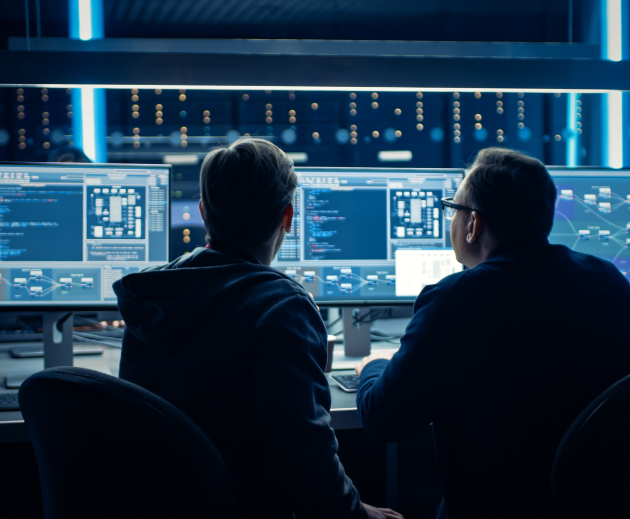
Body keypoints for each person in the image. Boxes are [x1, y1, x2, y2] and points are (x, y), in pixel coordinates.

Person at [114, 138, 403, 519]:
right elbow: (306, 463)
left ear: (203, 212)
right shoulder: (283, 308)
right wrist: (360, 514)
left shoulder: (150, 296)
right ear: (287, 217)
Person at [355, 147, 630, 519]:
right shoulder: (608, 280)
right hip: (595, 504)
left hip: (496, 507)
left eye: (453, 207)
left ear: (473, 224)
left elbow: (383, 420)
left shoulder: (454, 300)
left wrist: (372, 367)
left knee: (406, 503)